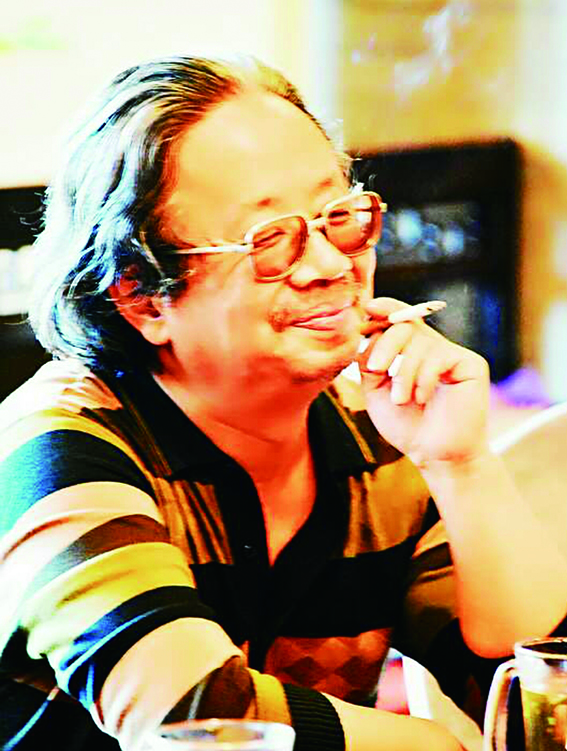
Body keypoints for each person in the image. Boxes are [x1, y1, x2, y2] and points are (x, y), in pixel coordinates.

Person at [0, 54, 566, 751]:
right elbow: (193, 714)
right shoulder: (56, 449)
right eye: (269, 239)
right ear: (142, 297)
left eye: (338, 216)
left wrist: (461, 463)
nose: (331, 264)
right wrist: (434, 745)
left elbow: (537, 695)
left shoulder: (377, 434)